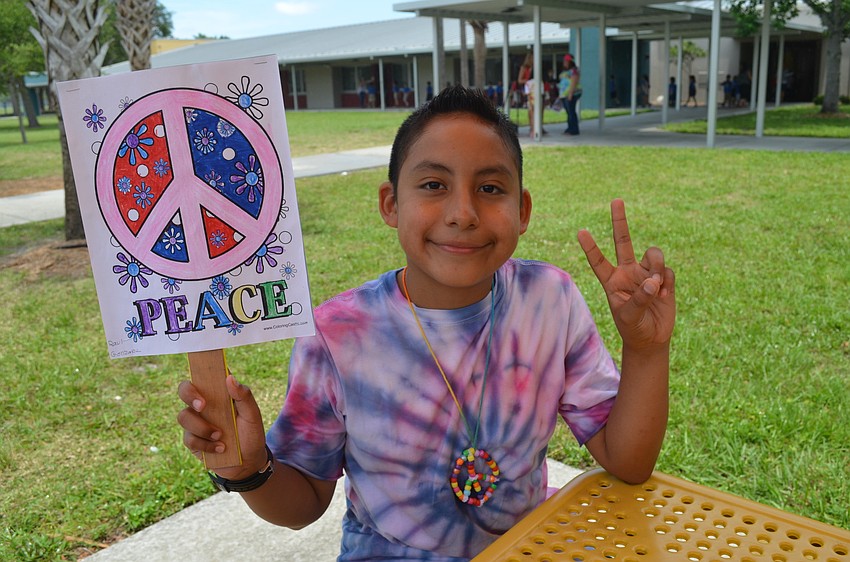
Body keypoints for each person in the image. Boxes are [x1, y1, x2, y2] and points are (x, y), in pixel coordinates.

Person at [177, 85, 676, 561]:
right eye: (434, 185)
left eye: (490, 187)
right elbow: (304, 504)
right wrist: (250, 469)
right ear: (391, 205)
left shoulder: (550, 300)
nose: (463, 213)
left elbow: (628, 461)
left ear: (521, 210)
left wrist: (646, 349)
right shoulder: (337, 335)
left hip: (524, 550)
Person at [558, 53, 582, 135]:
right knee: (568, 112)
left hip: (572, 93)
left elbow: (574, 82)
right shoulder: (565, 71)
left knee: (571, 111)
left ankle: (574, 129)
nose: (564, 63)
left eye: (566, 61)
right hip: (564, 94)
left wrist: (570, 93)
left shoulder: (574, 70)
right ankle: (569, 128)